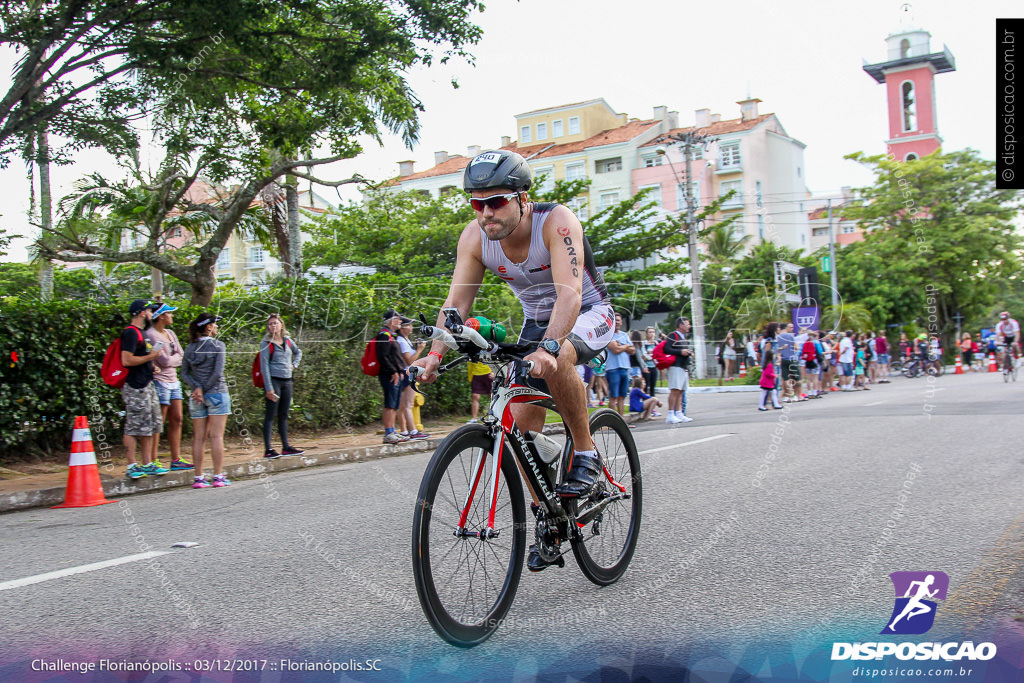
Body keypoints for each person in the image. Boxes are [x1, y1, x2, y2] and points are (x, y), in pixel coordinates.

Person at [411, 150, 616, 546]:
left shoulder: (555, 223)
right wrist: (434, 355)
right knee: (520, 426)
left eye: (496, 201)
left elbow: (570, 296)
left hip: (588, 313)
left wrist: (550, 348)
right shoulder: (474, 237)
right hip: (536, 323)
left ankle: (587, 451)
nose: (485, 213)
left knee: (557, 361)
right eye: (476, 203)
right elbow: (455, 305)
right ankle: (549, 519)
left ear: (523, 198)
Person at [120, 300, 169, 479]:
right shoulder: (131, 333)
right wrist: (151, 356)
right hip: (136, 386)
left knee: (151, 424)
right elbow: (126, 360)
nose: (151, 314)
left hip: (147, 383)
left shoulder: (141, 333)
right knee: (134, 425)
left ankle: (147, 463)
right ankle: (132, 464)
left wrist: (151, 364)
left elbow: (140, 358)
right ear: (141, 313)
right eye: (149, 311)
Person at [181, 313, 231, 488]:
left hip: (196, 397)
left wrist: (197, 388)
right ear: (208, 327)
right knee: (216, 436)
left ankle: (199, 477)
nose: (217, 327)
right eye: (215, 324)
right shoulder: (218, 345)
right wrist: (204, 389)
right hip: (217, 393)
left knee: (198, 438)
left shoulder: (190, 348)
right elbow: (217, 373)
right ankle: (218, 476)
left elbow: (184, 373)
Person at [144, 303, 192, 471]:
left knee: (177, 419)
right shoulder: (150, 335)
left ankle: (176, 459)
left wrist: (170, 362)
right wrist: (172, 361)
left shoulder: (170, 333)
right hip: (160, 382)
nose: (172, 316)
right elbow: (163, 360)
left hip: (174, 381)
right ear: (161, 316)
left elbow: (181, 355)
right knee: (159, 421)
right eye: (169, 314)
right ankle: (153, 459)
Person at [260, 314, 305, 459]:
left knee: (284, 415)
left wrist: (294, 365)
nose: (273, 326)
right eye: (270, 324)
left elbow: (298, 352)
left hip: (287, 380)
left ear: (281, 325)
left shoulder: (288, 341)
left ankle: (286, 446)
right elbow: (264, 366)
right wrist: (268, 388)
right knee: (270, 415)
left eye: (275, 323)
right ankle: (268, 449)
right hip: (274, 381)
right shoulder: (266, 343)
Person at [377, 310, 409, 444]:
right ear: (390, 320)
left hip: (396, 374)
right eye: (397, 318)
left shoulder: (392, 335)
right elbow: (383, 356)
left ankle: (393, 431)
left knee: (394, 404)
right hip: (389, 375)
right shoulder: (384, 335)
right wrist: (393, 372)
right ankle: (388, 432)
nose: (400, 321)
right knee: (390, 404)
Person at [396, 318, 429, 439]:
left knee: (403, 405)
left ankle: (404, 431)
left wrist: (416, 348)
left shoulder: (404, 340)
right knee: (408, 405)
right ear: (403, 328)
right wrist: (419, 350)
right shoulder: (402, 341)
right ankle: (413, 431)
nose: (411, 328)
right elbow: (409, 360)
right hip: (406, 373)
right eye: (409, 325)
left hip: (404, 373)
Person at [604, 314, 635, 417]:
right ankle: (611, 421)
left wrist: (622, 345)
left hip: (625, 369)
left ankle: (621, 421)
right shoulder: (608, 335)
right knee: (613, 396)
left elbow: (633, 350)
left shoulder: (624, 335)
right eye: (615, 320)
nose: (617, 322)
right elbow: (615, 350)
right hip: (613, 369)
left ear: (621, 322)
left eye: (618, 320)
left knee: (622, 397)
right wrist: (626, 346)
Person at [665, 316, 694, 423]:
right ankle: (670, 414)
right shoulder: (674, 335)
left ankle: (679, 413)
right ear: (681, 325)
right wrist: (681, 352)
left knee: (680, 391)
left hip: (683, 367)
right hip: (675, 366)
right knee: (674, 390)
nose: (689, 326)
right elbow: (667, 348)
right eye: (687, 324)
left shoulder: (683, 337)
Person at [640, 326, 659, 395]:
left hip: (654, 366)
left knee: (653, 386)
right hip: (646, 367)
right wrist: (653, 356)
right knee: (645, 386)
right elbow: (644, 355)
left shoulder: (656, 343)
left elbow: (659, 355)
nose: (651, 334)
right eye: (650, 332)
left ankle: (652, 401)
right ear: (646, 333)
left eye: (653, 332)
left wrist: (651, 355)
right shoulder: (643, 343)